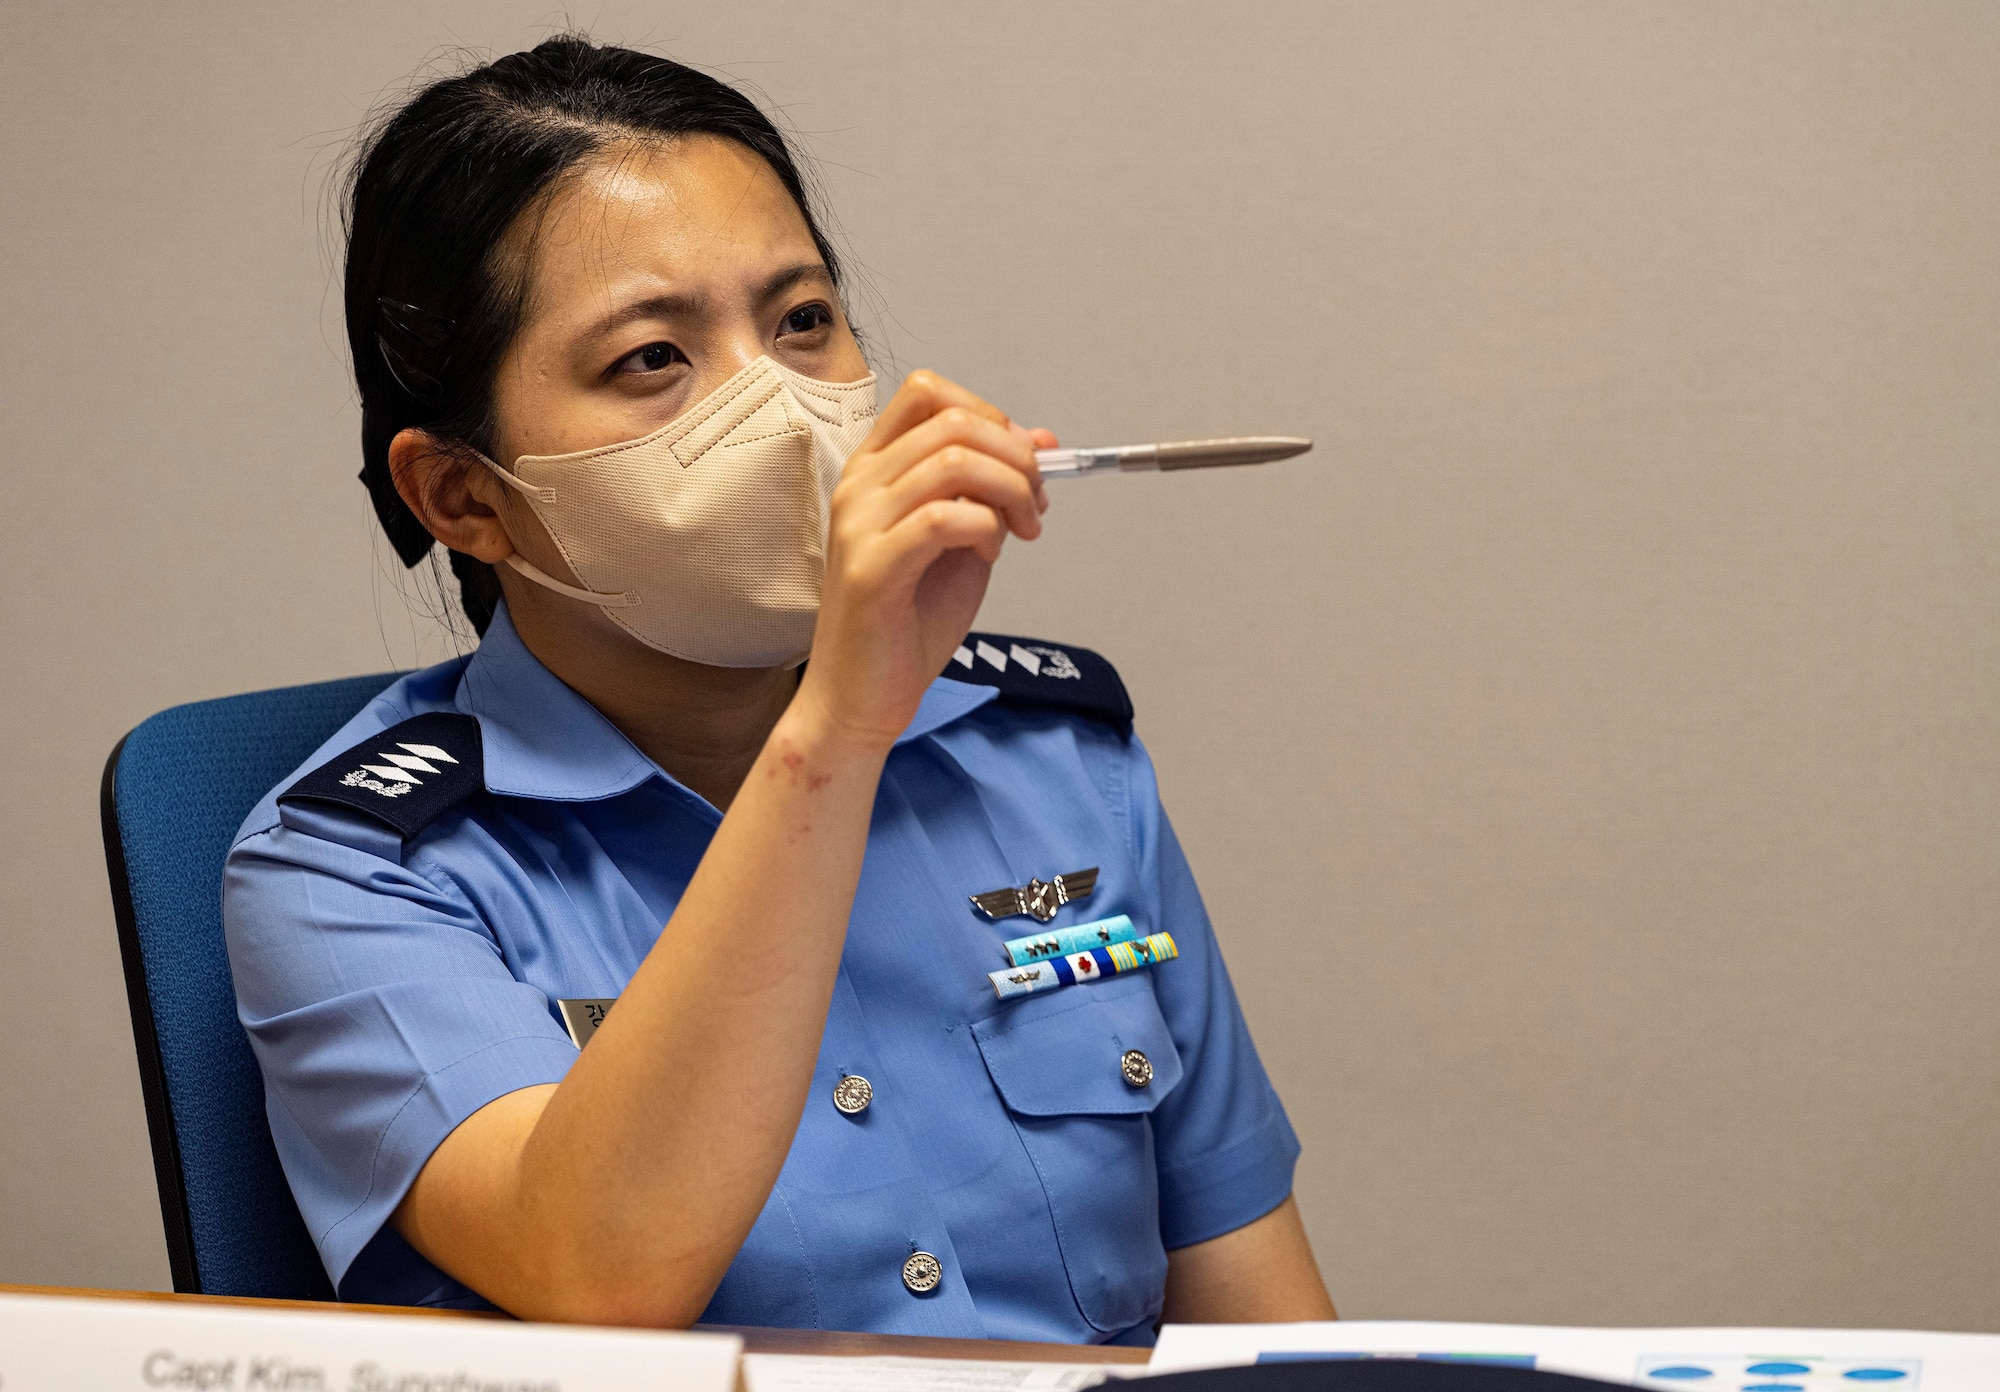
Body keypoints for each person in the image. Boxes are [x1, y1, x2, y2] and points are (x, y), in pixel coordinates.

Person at [223, 34, 1335, 1342]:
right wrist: (840, 728)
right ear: (463, 497)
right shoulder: (349, 872)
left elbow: (1264, 1324)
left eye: (803, 322)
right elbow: (599, 1271)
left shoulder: (1057, 764)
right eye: (651, 357)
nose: (782, 406)